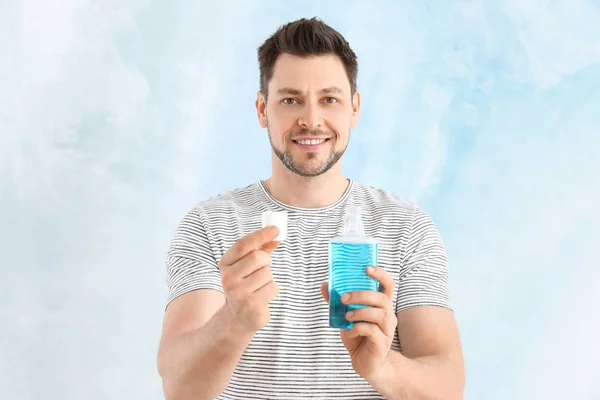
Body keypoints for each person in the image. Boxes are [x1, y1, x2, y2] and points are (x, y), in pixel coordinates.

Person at [157, 17, 465, 400]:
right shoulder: (209, 225)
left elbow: (448, 388)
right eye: (290, 100)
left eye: (329, 99)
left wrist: (381, 366)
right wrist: (233, 322)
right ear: (261, 110)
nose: (311, 119)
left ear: (353, 108)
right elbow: (179, 388)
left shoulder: (407, 227)